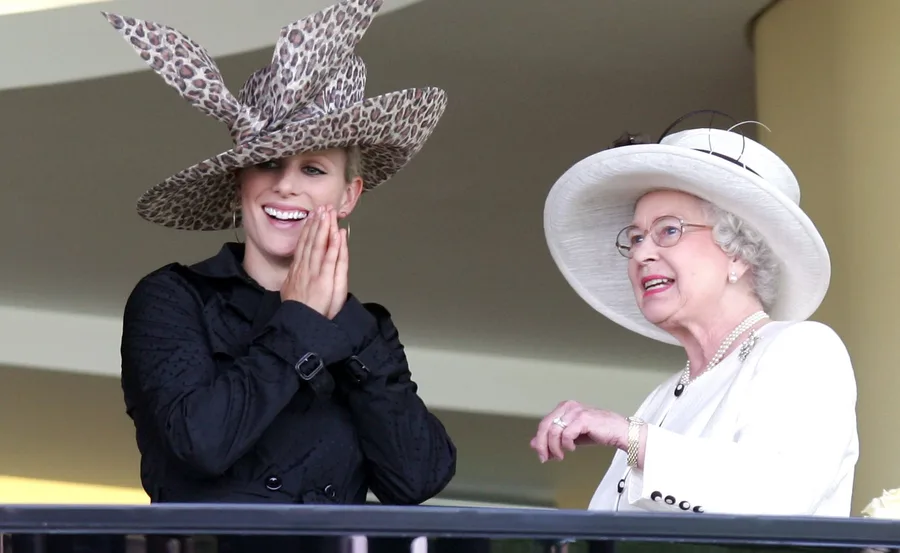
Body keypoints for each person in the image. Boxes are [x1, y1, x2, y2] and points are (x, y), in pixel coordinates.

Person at [107, 0, 456, 520]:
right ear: (239, 181)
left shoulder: (366, 330)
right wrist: (299, 320)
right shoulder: (174, 298)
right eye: (267, 162)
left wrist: (344, 329)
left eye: (313, 169)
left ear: (348, 196)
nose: (286, 184)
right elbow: (201, 444)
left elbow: (419, 477)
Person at [532, 113, 859, 517]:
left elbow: (777, 499)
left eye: (668, 231)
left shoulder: (803, 349)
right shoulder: (661, 398)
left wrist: (630, 436)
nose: (640, 253)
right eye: (634, 238)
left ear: (738, 251)